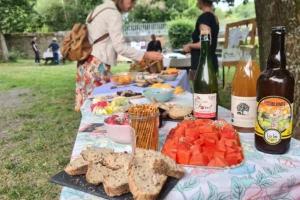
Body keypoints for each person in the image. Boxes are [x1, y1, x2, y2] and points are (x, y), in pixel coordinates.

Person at [75, 0, 163, 111]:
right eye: (131, 1)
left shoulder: (97, 10)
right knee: (98, 107)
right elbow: (120, 47)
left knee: (89, 106)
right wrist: (145, 54)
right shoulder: (113, 14)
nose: (133, 5)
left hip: (85, 63)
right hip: (97, 64)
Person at [183, 0, 219, 79]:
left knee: (202, 91)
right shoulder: (213, 17)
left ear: (200, 1)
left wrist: (190, 45)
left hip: (202, 65)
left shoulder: (205, 18)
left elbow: (206, 42)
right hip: (209, 62)